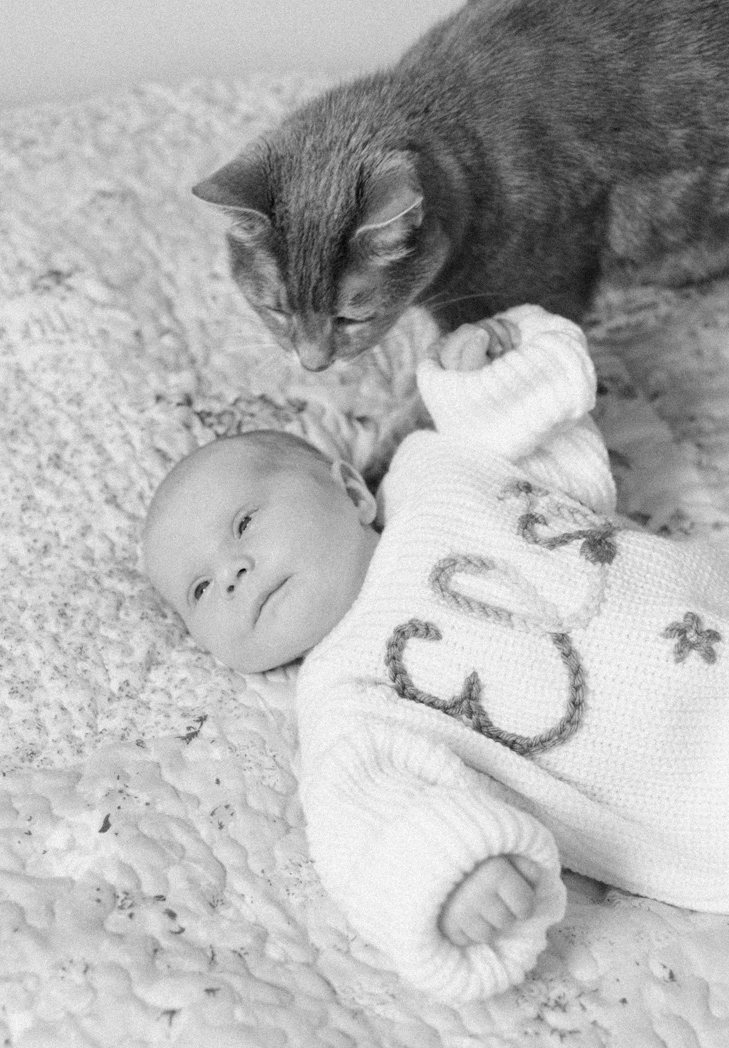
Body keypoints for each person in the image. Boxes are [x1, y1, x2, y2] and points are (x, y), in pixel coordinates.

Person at [143, 305, 729, 1003]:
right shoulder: (346, 695)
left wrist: (489, 376)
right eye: (201, 587)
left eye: (244, 522)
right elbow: (367, 820)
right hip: (689, 765)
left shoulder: (433, 471)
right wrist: (452, 873)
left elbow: (548, 455)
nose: (233, 570)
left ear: (352, 490)